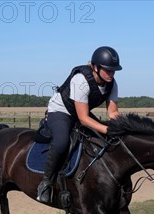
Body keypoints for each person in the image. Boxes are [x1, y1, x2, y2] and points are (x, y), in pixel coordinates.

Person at [37, 46, 122, 203]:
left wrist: (122, 126)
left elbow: (112, 113)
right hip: (61, 111)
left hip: (80, 111)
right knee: (62, 142)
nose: (111, 74)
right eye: (108, 70)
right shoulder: (81, 80)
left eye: (114, 71)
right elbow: (83, 119)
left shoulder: (112, 84)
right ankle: (46, 182)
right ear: (95, 67)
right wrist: (107, 129)